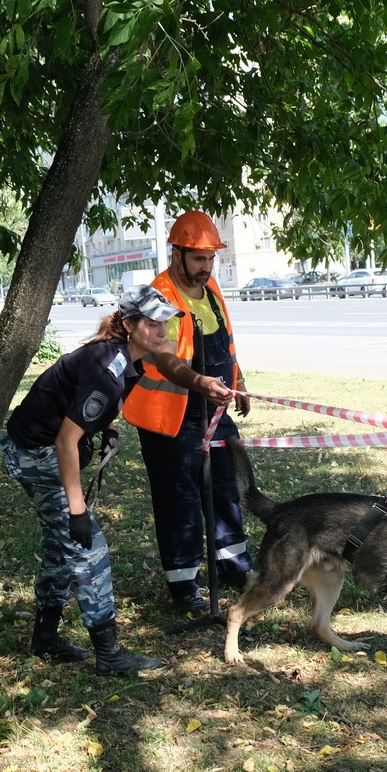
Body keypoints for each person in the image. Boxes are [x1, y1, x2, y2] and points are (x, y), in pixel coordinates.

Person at [0, 285, 233, 675]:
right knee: (88, 548)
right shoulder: (108, 367)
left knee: (62, 548)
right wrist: (77, 509)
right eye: (154, 322)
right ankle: (108, 653)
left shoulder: (127, 359)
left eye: (165, 322)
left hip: (39, 446)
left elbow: (82, 410)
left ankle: (45, 637)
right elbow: (66, 440)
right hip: (34, 453)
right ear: (130, 325)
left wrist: (104, 426)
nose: (162, 330)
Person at [123, 210, 254, 618]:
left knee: (225, 485)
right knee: (179, 497)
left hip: (212, 407)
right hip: (169, 415)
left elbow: (226, 345)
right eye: (198, 258)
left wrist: (239, 380)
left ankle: (234, 566)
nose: (206, 267)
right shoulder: (157, 296)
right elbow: (163, 359)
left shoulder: (211, 288)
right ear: (176, 254)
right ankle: (184, 588)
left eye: (211, 258)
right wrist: (198, 383)